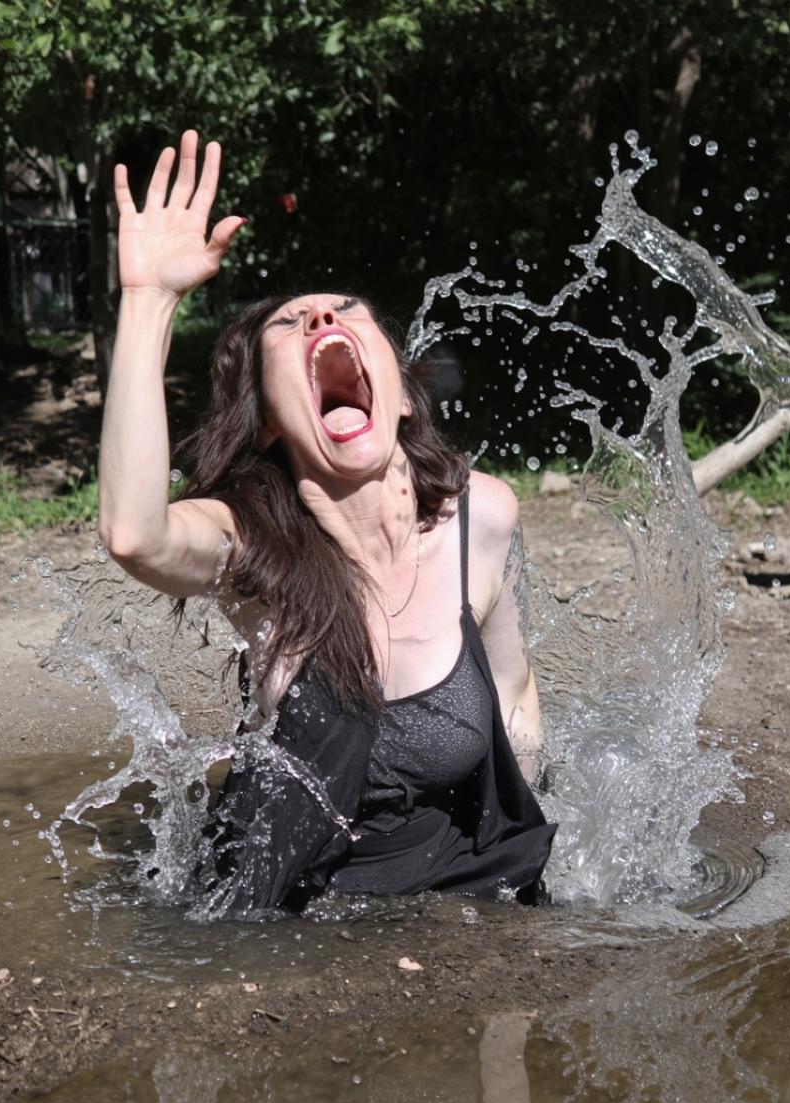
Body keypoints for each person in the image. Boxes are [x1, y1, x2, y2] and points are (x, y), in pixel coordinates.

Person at [99, 131, 556, 914]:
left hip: (451, 902)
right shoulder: (253, 549)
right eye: (289, 324)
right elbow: (136, 534)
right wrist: (149, 302)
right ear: (270, 419)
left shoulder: (483, 516)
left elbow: (515, 699)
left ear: (403, 394)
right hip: (286, 923)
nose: (318, 317)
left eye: (346, 311)